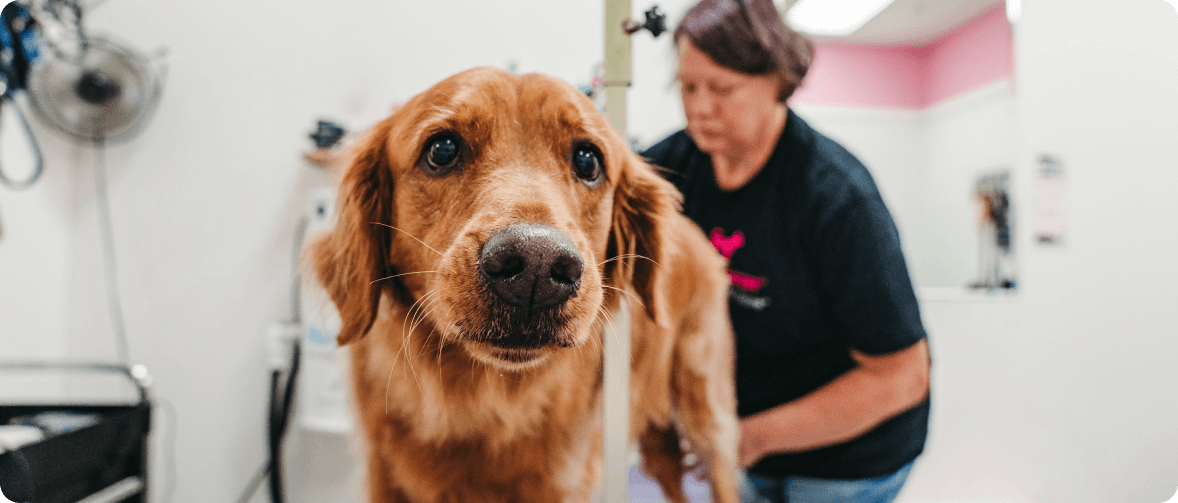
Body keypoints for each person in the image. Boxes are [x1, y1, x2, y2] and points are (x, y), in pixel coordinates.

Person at [641, 0, 932, 502]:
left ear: (777, 81)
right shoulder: (673, 167)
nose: (699, 107)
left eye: (722, 89)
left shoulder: (836, 199)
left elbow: (902, 377)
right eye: (688, 87)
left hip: (848, 459)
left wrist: (751, 437)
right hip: (746, 437)